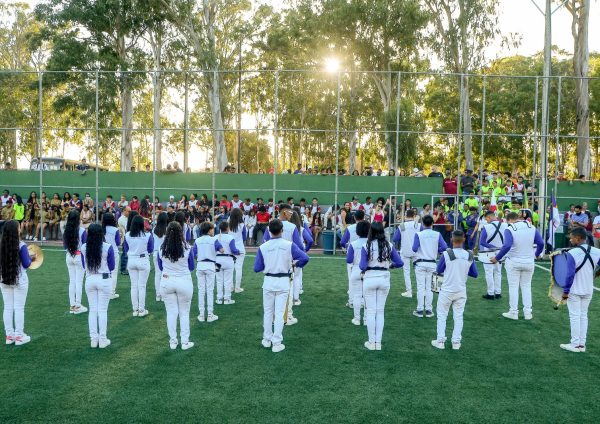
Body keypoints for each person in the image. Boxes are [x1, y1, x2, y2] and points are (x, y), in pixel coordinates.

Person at [253, 219, 309, 353]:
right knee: (279, 313)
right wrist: (295, 264)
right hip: (283, 281)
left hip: (268, 281)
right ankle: (277, 342)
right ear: (282, 230)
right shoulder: (289, 245)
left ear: (268, 231)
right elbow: (305, 258)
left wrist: (269, 265)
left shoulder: (263, 247)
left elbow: (257, 268)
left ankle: (267, 339)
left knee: (268, 312)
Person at [491, 212, 544, 320]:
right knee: (526, 286)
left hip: (514, 261)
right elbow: (541, 243)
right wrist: (536, 254)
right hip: (529, 261)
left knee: (513, 287)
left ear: (509, 220)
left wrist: (497, 258)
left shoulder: (509, 229)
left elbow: (507, 245)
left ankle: (513, 312)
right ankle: (528, 313)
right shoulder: (531, 227)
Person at [359, 222, 403, 350]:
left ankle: (371, 342)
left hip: (370, 278)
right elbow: (399, 263)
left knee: (371, 311)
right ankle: (378, 343)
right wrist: (390, 265)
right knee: (380, 311)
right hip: (384, 278)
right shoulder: (389, 245)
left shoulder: (366, 245)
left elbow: (362, 266)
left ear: (370, 232)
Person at [431, 230, 478, 350]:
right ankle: (456, 342)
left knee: (442, 315)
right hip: (461, 290)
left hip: (447, 290)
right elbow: (475, 274)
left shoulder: (447, 254)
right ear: (464, 240)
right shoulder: (469, 255)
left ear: (452, 239)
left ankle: (440, 341)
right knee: (458, 316)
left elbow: (439, 270)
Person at [559, 227, 600, 353]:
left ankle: (575, 344)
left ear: (578, 238)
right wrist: (595, 275)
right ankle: (581, 345)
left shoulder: (572, 253)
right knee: (583, 315)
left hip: (575, 290)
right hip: (588, 289)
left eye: (572, 238)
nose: (570, 240)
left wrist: (565, 292)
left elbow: (569, 275)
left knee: (575, 316)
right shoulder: (597, 251)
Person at [262, 206, 304, 325]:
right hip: (286, 264)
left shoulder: (270, 226)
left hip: (271, 264)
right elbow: (299, 246)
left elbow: (264, 243)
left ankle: (273, 319)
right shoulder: (292, 227)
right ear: (285, 212)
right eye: (290, 212)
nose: (292, 214)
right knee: (287, 293)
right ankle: (288, 317)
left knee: (270, 295)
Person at [158, 221, 196, 350]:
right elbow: (191, 266)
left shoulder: (162, 248)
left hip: (167, 281)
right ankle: (185, 342)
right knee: (184, 313)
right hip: (184, 281)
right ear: (181, 232)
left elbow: (160, 266)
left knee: (171, 313)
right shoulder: (187, 248)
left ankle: (173, 342)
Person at [81, 223, 115, 349]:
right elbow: (112, 266)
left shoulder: (84, 247)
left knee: (93, 310)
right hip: (104, 279)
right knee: (102, 310)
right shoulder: (107, 247)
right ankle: (102, 339)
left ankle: (94, 339)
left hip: (90, 279)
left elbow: (83, 265)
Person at [0, 220, 34, 346]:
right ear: (16, 231)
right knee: (19, 308)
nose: (20, 229)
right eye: (19, 227)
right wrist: (31, 257)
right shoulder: (21, 245)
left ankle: (9, 336)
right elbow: (26, 264)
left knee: (7, 307)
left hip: (4, 279)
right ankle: (19, 336)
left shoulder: (1, 245)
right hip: (19, 279)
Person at [412, 215, 448, 318]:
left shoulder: (419, 234)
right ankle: (428, 310)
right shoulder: (437, 234)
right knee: (430, 288)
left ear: (423, 223)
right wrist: (436, 250)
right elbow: (444, 247)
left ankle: (419, 310)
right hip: (432, 263)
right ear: (432, 223)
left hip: (420, 263)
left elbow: (414, 248)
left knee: (420, 287)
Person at [124, 215, 154, 317]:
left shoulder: (127, 235)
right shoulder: (148, 235)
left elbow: (126, 249)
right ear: (142, 224)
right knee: (141, 286)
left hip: (132, 260)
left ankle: (135, 309)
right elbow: (150, 249)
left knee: (134, 286)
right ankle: (141, 309)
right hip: (143, 260)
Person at [193, 222, 223, 323]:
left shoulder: (197, 240)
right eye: (212, 229)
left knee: (201, 290)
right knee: (210, 290)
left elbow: (193, 254)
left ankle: (201, 315)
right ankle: (210, 314)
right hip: (210, 265)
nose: (213, 230)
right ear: (209, 230)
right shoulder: (214, 240)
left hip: (200, 265)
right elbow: (222, 250)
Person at [63, 210, 88, 315]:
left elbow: (65, 246)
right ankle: (77, 306)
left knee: (72, 281)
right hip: (79, 256)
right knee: (78, 282)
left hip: (69, 256)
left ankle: (72, 305)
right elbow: (85, 245)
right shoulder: (82, 231)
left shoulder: (66, 230)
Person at [345, 220, 370, 325]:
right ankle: (366, 319)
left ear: (357, 232)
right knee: (367, 296)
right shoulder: (371, 243)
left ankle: (356, 319)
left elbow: (349, 260)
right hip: (369, 271)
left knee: (357, 295)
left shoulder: (353, 244)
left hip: (356, 270)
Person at [479, 211, 507, 300]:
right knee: (498, 272)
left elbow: (482, 242)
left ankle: (490, 293)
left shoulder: (486, 227)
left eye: (486, 218)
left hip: (489, 253)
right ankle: (498, 293)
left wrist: (492, 247)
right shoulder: (505, 225)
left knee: (489, 273)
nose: (486, 221)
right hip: (500, 252)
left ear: (490, 217)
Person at [392, 209, 420, 298]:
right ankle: (420, 291)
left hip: (405, 251)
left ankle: (409, 292)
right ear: (414, 216)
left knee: (406, 272)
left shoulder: (402, 225)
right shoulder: (418, 225)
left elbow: (395, 239)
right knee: (419, 272)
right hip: (416, 251)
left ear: (405, 216)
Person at [341, 210, 366, 308]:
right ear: (364, 217)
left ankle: (352, 301)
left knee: (352, 280)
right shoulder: (369, 227)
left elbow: (342, 242)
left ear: (355, 217)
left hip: (353, 254)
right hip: (366, 255)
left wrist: (348, 245)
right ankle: (364, 301)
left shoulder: (350, 228)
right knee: (365, 279)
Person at [215, 221, 240, 305]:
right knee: (228, 280)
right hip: (228, 260)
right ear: (227, 228)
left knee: (219, 280)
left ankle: (219, 299)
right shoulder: (230, 238)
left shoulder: (215, 237)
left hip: (217, 260)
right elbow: (234, 250)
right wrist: (238, 252)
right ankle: (227, 299)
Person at [102, 213, 121, 300]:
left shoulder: (101, 228)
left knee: (104, 272)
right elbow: (118, 243)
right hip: (113, 252)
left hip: (102, 251)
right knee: (113, 272)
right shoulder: (115, 230)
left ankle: (104, 291)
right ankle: (111, 293)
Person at [228, 208, 247, 293]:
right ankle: (237, 288)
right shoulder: (242, 225)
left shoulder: (228, 224)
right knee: (238, 268)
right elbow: (245, 237)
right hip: (240, 248)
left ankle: (231, 287)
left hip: (229, 248)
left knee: (230, 269)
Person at [152, 212, 169, 302]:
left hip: (156, 252)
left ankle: (158, 295)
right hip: (164, 252)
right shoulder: (168, 229)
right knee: (165, 274)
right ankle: (163, 294)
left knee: (158, 274)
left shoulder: (154, 229)